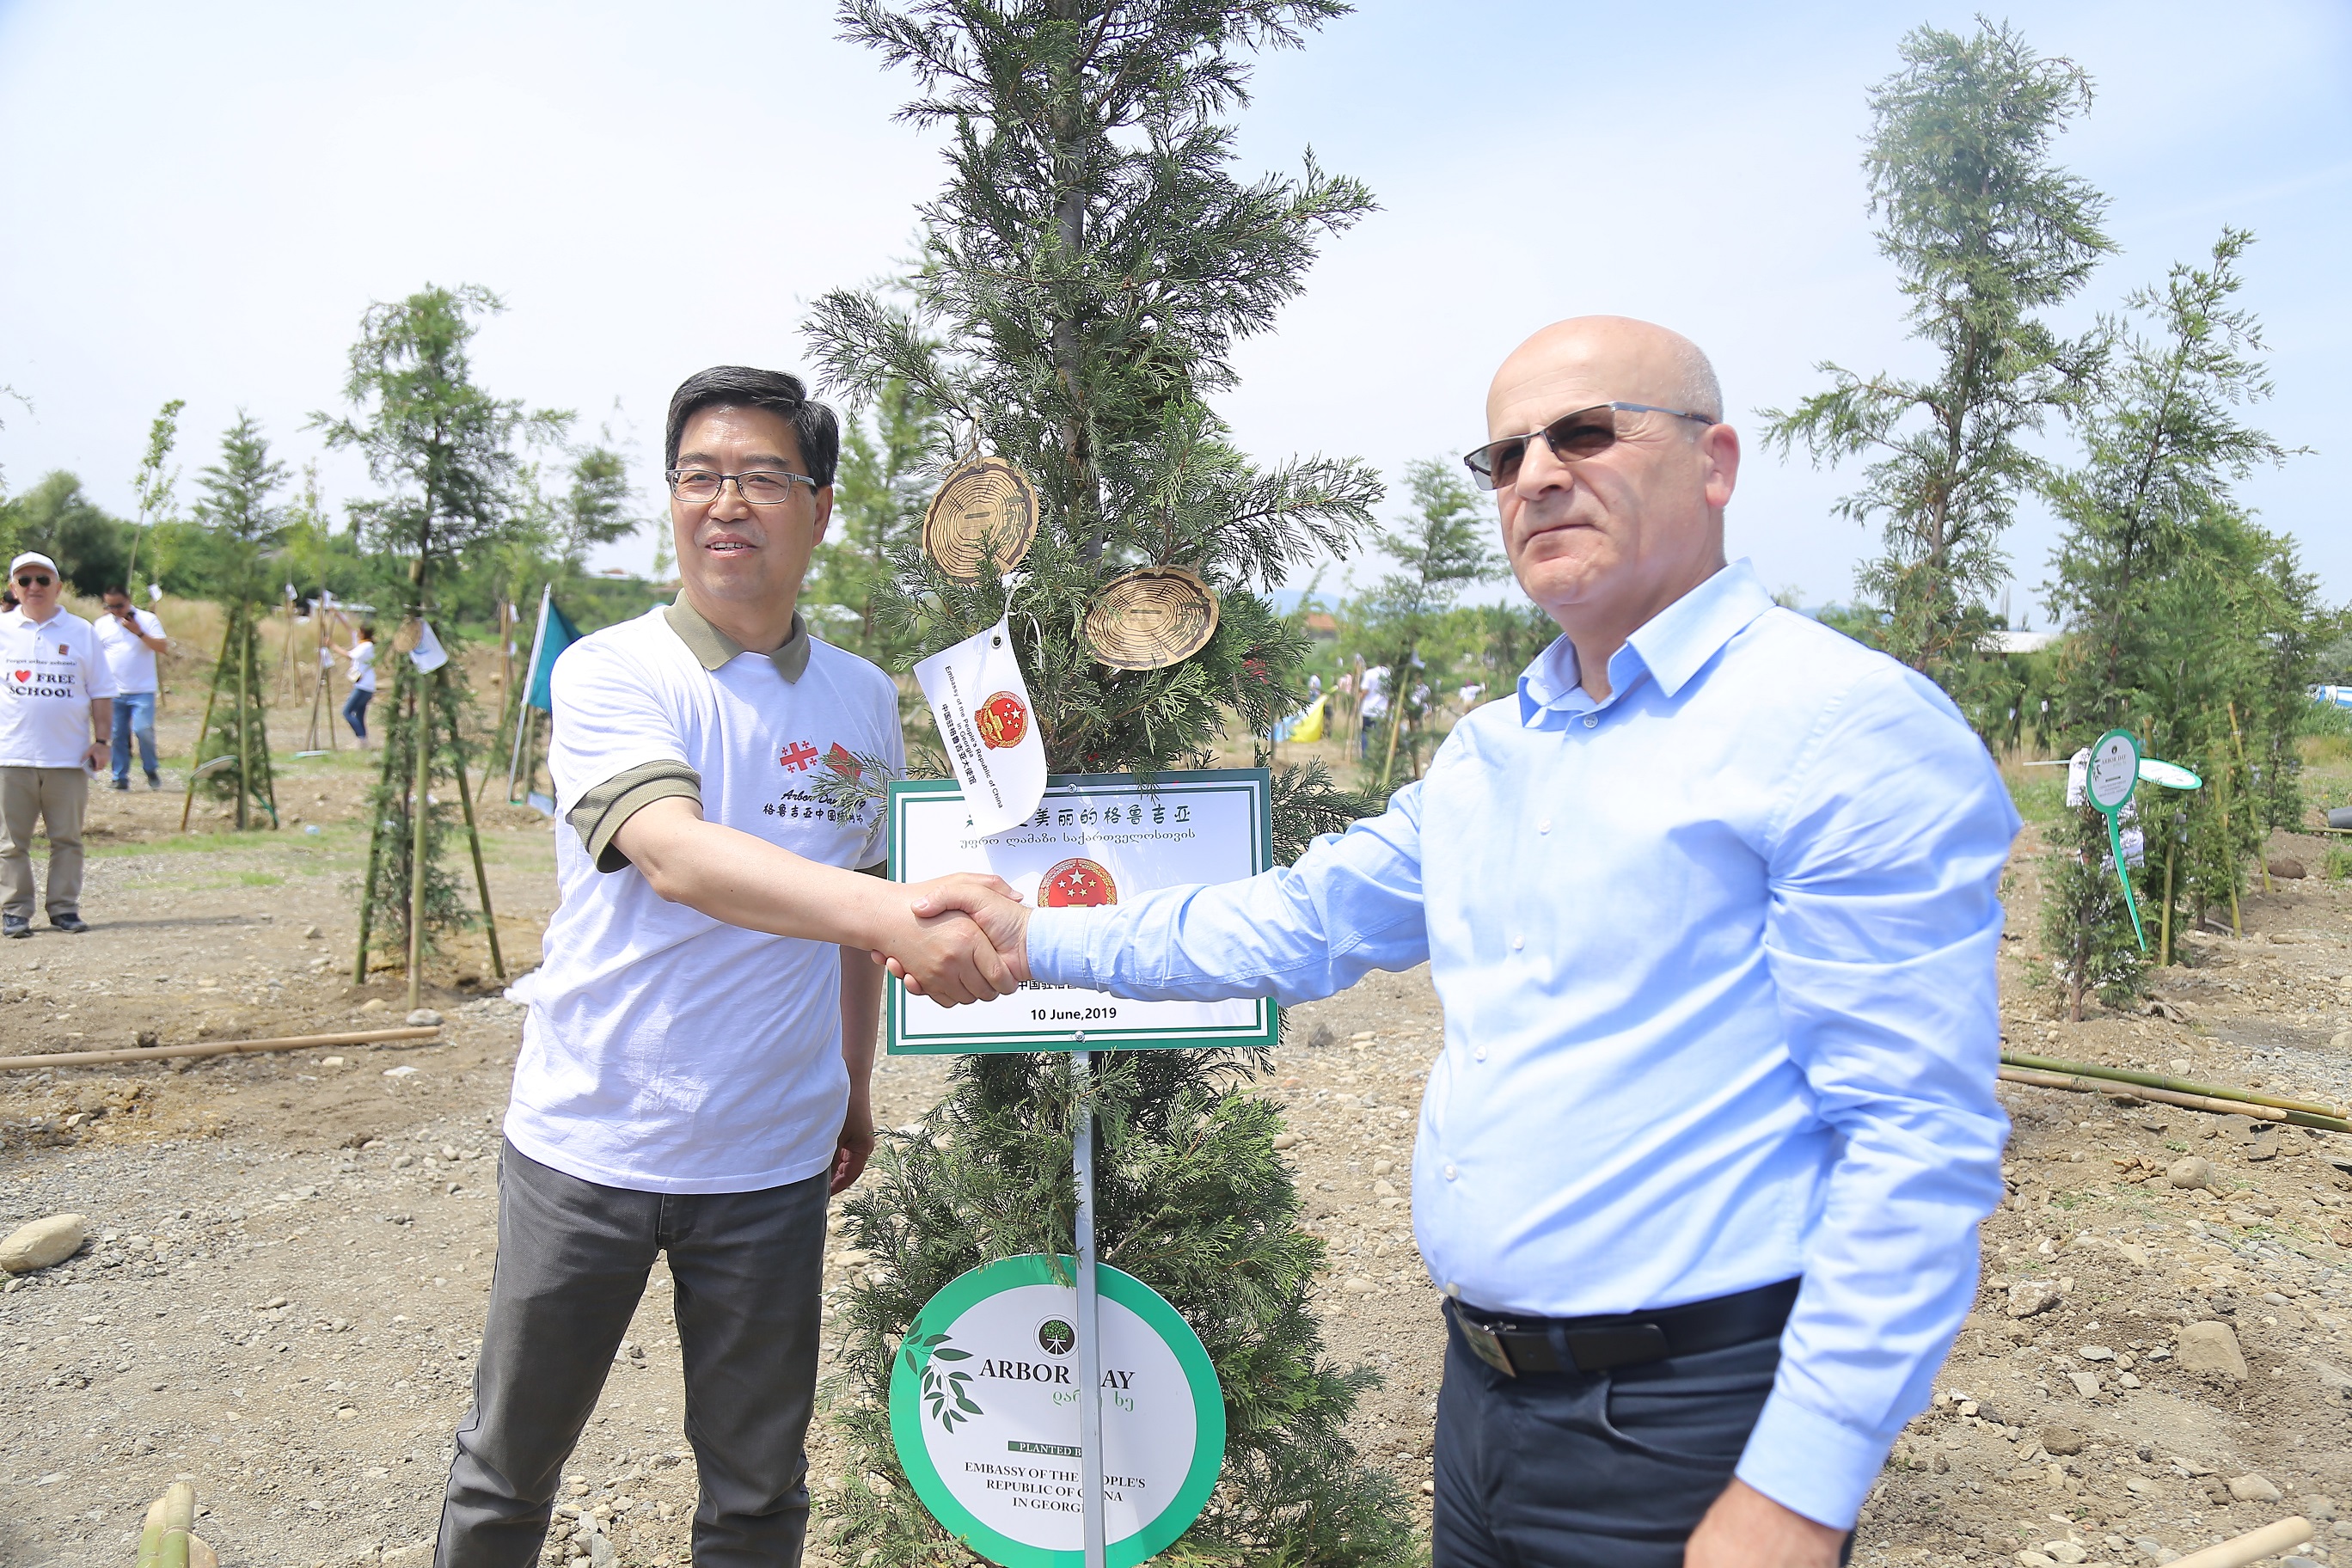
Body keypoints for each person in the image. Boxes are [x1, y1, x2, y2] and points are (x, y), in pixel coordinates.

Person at [912, 318, 2019, 1568]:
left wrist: (1800, 1493)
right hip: (1486, 1399)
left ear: (1714, 463)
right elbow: (1297, 921)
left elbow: (1915, 1139)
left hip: (1688, 1423)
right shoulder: (1498, 750)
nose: (1538, 474)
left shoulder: (1840, 728)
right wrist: (1033, 937)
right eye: (1505, 454)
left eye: (1586, 433)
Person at [435, 366, 1018, 1568]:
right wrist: (897, 913)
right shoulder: (613, 671)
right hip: (591, 1140)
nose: (726, 502)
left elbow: (854, 916)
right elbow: (677, 856)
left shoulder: (860, 698)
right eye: (699, 476)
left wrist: (853, 1080)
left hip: (769, 1157)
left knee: (757, 1493)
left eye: (762, 477)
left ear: (821, 507)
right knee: (508, 1471)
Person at [0, 552, 118, 936]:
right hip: (10, 755)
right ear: (13, 587)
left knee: (66, 839)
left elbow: (101, 691)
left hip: (67, 756)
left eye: (43, 580)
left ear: (58, 587)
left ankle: (64, 909)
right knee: (10, 843)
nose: (34, 587)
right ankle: (15, 911)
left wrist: (102, 741)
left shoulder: (82, 632)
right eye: (25, 581)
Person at [95, 586, 168, 790]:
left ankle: (151, 768)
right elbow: (94, 655)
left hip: (142, 690)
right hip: (113, 690)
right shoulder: (101, 625)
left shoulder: (147, 620)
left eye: (119, 606)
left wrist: (139, 632)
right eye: (110, 607)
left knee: (143, 730)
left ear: (128, 601)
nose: (115, 611)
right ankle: (120, 777)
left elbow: (162, 647)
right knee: (117, 734)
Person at [341, 622, 377, 741]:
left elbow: (349, 655)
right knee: (359, 715)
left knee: (347, 712)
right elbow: (351, 631)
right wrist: (337, 615)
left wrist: (332, 645)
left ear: (363, 633)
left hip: (363, 686)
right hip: (367, 685)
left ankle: (361, 737)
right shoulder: (365, 645)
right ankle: (363, 740)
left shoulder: (366, 646)